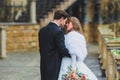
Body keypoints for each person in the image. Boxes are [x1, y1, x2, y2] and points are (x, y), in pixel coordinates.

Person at [38, 10, 71, 80]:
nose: (65, 24)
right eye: (65, 21)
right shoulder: (59, 32)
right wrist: (72, 54)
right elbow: (62, 50)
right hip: (54, 65)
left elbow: (41, 49)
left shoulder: (42, 30)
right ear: (61, 19)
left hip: (43, 64)